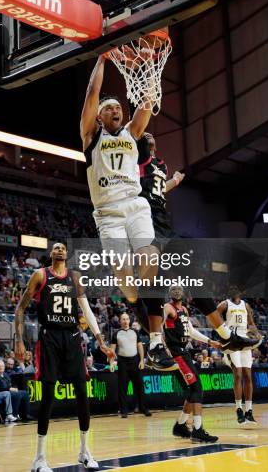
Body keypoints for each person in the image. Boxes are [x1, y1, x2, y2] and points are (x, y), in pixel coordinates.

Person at [80, 53, 175, 371]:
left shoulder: (131, 134)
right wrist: (103, 61)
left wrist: (149, 71)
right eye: (109, 108)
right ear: (99, 116)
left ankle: (157, 341)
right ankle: (133, 297)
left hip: (135, 206)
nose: (116, 109)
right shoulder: (92, 138)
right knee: (125, 280)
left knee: (150, 258)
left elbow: (146, 105)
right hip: (107, 212)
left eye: (118, 107)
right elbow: (92, 94)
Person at [136, 131, 261, 353]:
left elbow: (159, 189)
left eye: (151, 136)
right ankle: (155, 341)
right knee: (153, 283)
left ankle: (224, 335)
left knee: (194, 277)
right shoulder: (136, 158)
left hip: (164, 225)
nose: (148, 135)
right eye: (144, 136)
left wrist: (173, 181)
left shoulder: (161, 164)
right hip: (144, 223)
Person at [15, 241, 114, 472]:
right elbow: (20, 308)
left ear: (66, 254)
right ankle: (39, 458)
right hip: (49, 339)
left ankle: (84, 451)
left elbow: (86, 308)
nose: (59, 249)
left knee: (82, 394)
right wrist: (18, 340)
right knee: (48, 396)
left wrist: (100, 339)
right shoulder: (40, 275)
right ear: (50, 254)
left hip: (72, 338)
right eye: (56, 247)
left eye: (62, 248)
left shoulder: (75, 277)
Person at [164, 286, 219, 443]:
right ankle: (197, 429)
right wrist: (163, 347)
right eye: (173, 289)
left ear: (183, 293)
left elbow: (191, 331)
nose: (176, 291)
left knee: (192, 390)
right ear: (170, 294)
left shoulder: (185, 311)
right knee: (197, 388)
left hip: (184, 351)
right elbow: (158, 327)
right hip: (175, 353)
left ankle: (180, 425)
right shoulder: (168, 307)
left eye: (179, 289)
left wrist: (209, 341)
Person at [217, 288, 259, 426]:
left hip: (245, 341)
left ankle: (249, 411)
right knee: (238, 375)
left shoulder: (245, 305)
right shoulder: (224, 304)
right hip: (232, 341)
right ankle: (239, 410)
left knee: (248, 375)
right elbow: (214, 320)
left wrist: (256, 334)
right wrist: (223, 336)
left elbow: (251, 323)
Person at [110, 312, 151, 418]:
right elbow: (112, 350)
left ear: (129, 320)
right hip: (122, 362)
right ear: (120, 321)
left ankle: (143, 408)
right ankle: (124, 410)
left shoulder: (135, 332)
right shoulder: (116, 334)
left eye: (127, 319)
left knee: (140, 387)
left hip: (135, 361)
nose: (125, 321)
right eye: (123, 319)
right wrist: (111, 363)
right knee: (122, 388)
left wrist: (142, 360)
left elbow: (140, 347)